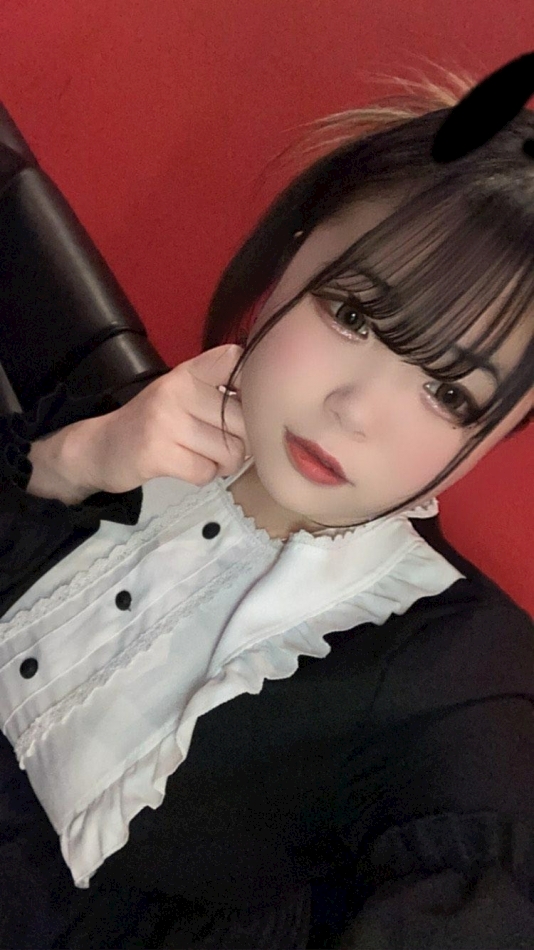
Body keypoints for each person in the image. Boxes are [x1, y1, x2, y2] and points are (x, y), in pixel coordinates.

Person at [0, 76, 533, 950]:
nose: (354, 413)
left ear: (504, 428)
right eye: (356, 313)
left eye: (450, 393)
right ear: (290, 257)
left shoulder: (460, 677)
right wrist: (72, 460)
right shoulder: (128, 425)